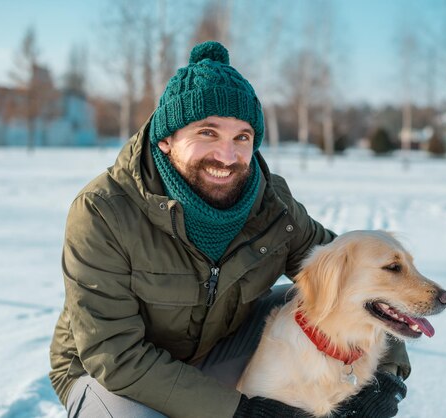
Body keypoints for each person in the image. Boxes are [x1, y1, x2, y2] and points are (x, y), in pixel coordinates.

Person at [49, 41, 411, 418]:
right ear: (166, 139)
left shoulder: (272, 204)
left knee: (306, 294)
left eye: (242, 137)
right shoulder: (103, 211)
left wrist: (387, 376)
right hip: (111, 375)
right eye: (207, 133)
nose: (227, 156)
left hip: (217, 350)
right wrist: (241, 413)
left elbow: (352, 274)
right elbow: (116, 357)